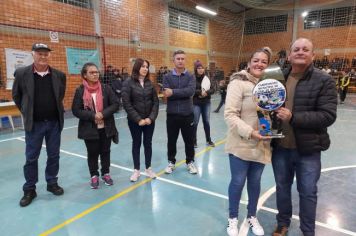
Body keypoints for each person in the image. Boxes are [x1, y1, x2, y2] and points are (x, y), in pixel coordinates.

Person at [271, 38, 337, 236]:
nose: (300, 52)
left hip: (307, 150)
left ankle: (308, 231)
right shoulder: (277, 78)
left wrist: (293, 117)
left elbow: (328, 115)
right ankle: (282, 223)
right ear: (289, 55)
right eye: (296, 49)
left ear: (313, 55)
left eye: (305, 49)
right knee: (282, 188)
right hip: (281, 147)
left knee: (307, 192)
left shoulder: (324, 80)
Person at [224, 47, 273, 236]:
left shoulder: (269, 85)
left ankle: (252, 216)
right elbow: (230, 115)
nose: (259, 64)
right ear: (249, 63)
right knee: (237, 182)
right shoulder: (238, 83)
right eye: (256, 60)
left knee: (255, 182)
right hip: (241, 143)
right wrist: (251, 132)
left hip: (262, 143)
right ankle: (233, 219)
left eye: (264, 61)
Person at [12, 43, 66, 207]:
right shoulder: (22, 74)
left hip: (54, 123)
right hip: (34, 125)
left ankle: (51, 183)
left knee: (54, 155)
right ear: (33, 54)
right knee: (31, 157)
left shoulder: (59, 75)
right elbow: (17, 96)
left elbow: (60, 96)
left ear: (49, 55)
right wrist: (27, 112)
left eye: (46, 54)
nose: (43, 56)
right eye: (39, 54)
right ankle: (29, 189)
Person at [72, 62, 119, 189]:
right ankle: (94, 175)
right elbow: (76, 110)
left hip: (106, 127)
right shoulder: (80, 91)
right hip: (89, 128)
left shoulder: (106, 88)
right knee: (92, 153)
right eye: (91, 72)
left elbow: (115, 104)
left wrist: (102, 114)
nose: (95, 74)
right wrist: (93, 116)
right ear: (84, 75)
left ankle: (106, 173)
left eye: (96, 72)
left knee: (105, 151)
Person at [122, 58, 159, 182]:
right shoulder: (128, 83)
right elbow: (126, 103)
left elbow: (155, 103)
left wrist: (151, 118)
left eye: (147, 67)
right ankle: (136, 170)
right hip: (135, 122)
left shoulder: (150, 83)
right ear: (137, 67)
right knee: (136, 143)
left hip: (149, 122)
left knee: (148, 144)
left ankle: (148, 168)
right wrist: (138, 119)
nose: (145, 69)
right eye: (143, 66)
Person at [163, 50, 197, 175]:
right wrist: (174, 92)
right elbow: (166, 92)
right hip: (172, 115)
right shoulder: (167, 76)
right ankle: (171, 162)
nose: (180, 60)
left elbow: (190, 91)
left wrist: (174, 92)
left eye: (183, 58)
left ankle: (190, 162)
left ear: (185, 60)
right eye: (178, 58)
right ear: (174, 60)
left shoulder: (191, 76)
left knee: (189, 140)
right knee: (171, 140)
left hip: (187, 114)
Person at [192, 60, 215, 148]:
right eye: (199, 68)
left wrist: (207, 93)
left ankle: (208, 140)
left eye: (202, 68)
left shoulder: (207, 78)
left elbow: (213, 89)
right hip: (196, 103)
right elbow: (191, 90)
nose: (201, 70)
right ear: (196, 69)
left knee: (206, 121)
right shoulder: (192, 78)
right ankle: (194, 141)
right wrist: (200, 93)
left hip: (206, 103)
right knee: (195, 122)